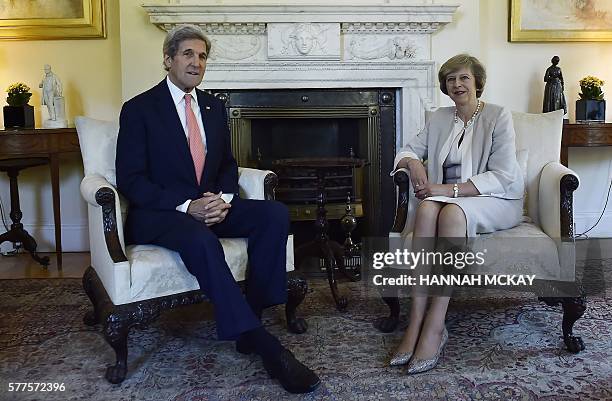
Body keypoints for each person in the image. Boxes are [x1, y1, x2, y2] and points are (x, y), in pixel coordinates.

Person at [115, 25, 320, 394]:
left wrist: (222, 201)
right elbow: (130, 179)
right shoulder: (139, 109)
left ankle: (251, 316)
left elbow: (227, 163)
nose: (197, 62)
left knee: (273, 215)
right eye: (188, 54)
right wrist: (187, 205)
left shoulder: (213, 107)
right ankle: (264, 344)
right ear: (168, 59)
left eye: (203, 56)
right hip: (160, 214)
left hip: (210, 205)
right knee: (200, 240)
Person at [389, 54, 524, 373]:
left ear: (477, 81)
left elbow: (503, 176)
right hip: (443, 198)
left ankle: (435, 325)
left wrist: (446, 190)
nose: (457, 84)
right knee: (425, 211)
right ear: (444, 86)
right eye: (450, 79)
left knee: (449, 214)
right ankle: (415, 323)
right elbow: (406, 150)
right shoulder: (439, 117)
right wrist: (414, 162)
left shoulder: (497, 115)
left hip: (495, 199)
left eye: (463, 77)